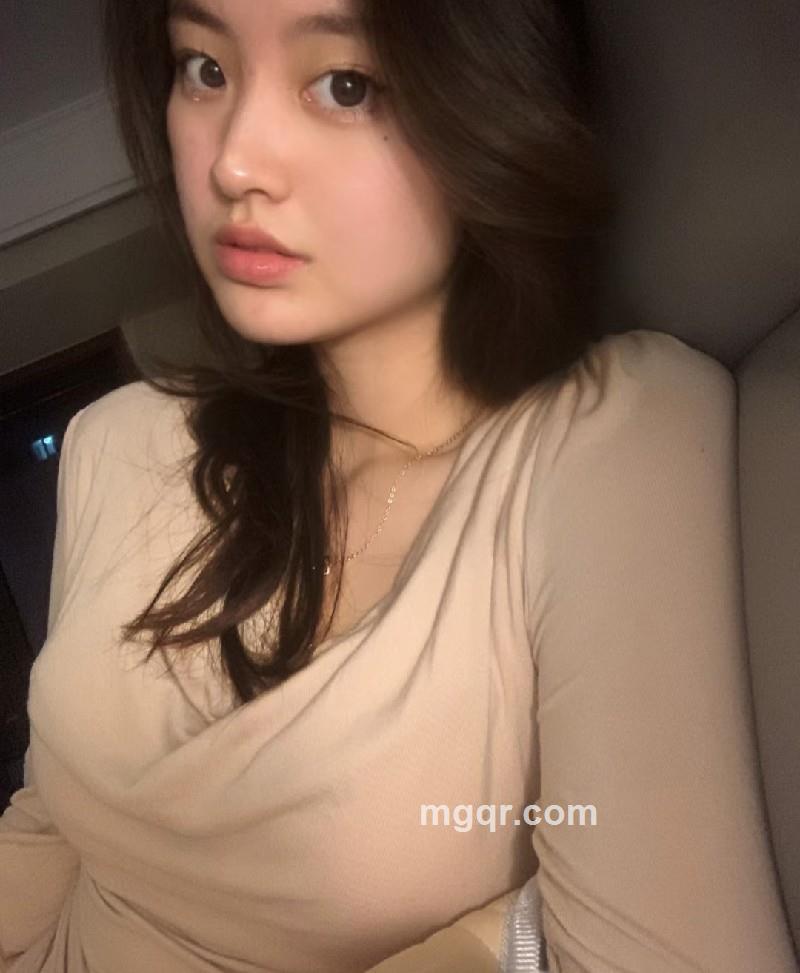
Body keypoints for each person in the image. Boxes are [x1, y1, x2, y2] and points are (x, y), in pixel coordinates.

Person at [0, 0, 796, 970]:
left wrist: (502, 937)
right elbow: (49, 822)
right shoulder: (118, 440)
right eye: (203, 69)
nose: (234, 163)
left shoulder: (606, 437)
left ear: (493, 109)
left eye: (344, 84)